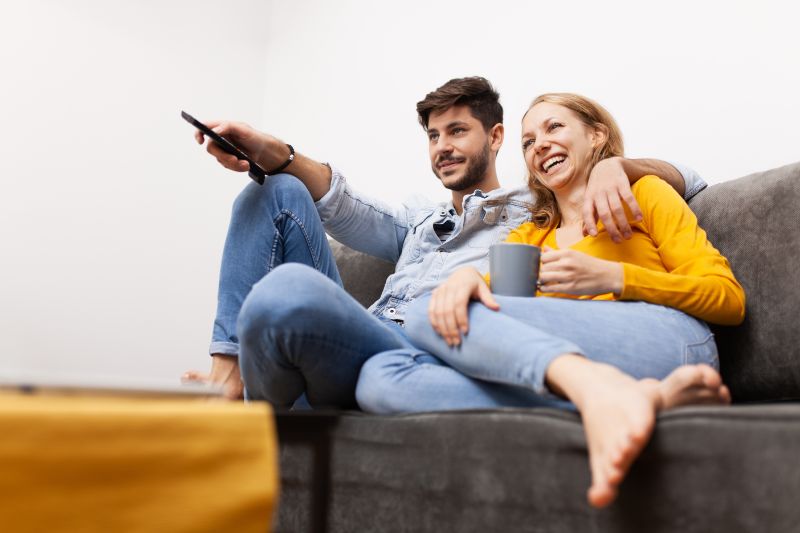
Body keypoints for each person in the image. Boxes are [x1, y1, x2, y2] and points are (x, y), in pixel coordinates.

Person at [183, 77, 707, 411]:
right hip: (365, 338)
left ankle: (252, 393)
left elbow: (692, 179)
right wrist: (278, 152)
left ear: (497, 138)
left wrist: (622, 164)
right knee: (275, 189)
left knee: (290, 295)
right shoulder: (419, 217)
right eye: (434, 137)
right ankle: (230, 375)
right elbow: (345, 206)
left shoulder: (538, 203)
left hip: (427, 345)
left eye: (457, 131)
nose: (443, 148)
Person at [356, 93, 745, 508]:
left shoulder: (645, 193)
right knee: (380, 379)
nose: (538, 144)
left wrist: (616, 277)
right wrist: (468, 276)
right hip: (591, 366)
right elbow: (485, 314)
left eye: (553, 128)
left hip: (673, 342)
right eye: (527, 141)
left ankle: (603, 391)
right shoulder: (532, 235)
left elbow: (728, 300)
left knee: (424, 314)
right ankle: (624, 400)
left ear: (596, 136)